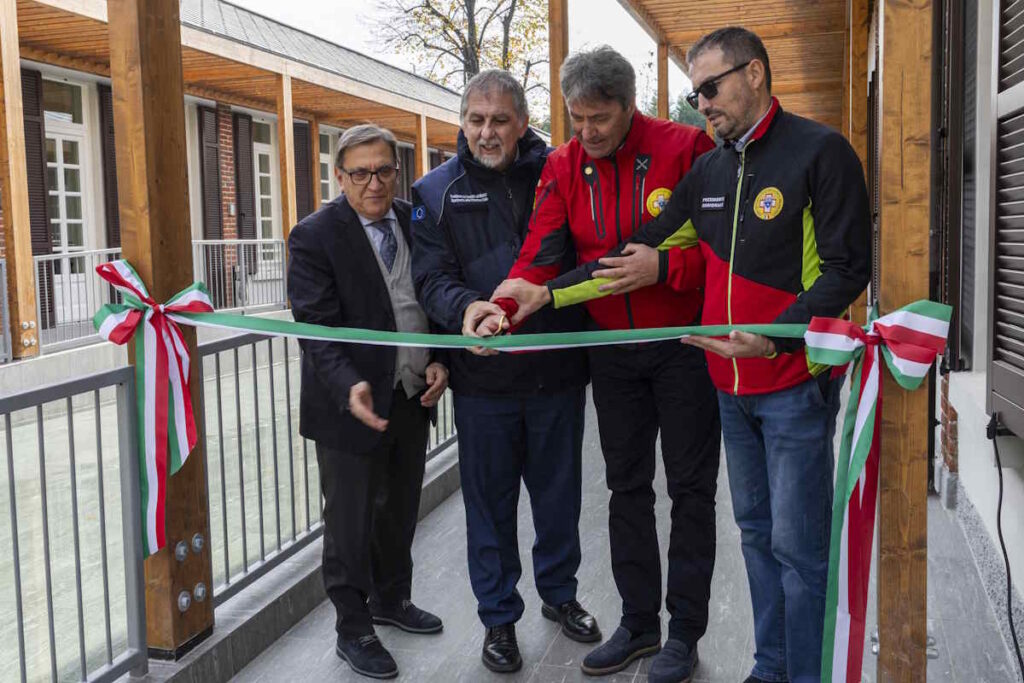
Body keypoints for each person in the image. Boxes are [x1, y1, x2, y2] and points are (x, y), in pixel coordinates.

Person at [495, 27, 871, 683]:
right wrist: (538, 297)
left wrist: (772, 333)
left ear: (754, 74)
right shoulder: (713, 168)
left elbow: (847, 270)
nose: (701, 103)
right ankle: (769, 663)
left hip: (786, 382)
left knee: (796, 546)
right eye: (695, 90)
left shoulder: (819, 150)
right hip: (727, 382)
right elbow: (619, 264)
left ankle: (799, 670)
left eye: (710, 87)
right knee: (755, 533)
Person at [485, 46, 722, 682]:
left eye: (599, 118)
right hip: (611, 354)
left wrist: (665, 266)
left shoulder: (686, 149)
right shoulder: (562, 166)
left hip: (683, 349)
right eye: (574, 118)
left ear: (628, 105)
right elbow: (541, 254)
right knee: (626, 488)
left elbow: (722, 256)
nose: (585, 132)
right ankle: (640, 623)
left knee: (691, 491)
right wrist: (502, 306)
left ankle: (686, 632)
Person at [409, 69, 595, 675]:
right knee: (489, 506)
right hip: (483, 382)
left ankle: (560, 595)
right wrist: (466, 310)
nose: (486, 132)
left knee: (558, 498)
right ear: (462, 123)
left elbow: (582, 259)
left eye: (499, 120)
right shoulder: (434, 191)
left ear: (522, 122)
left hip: (557, 374)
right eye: (475, 120)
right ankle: (498, 619)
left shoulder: (561, 176)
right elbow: (431, 277)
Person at [287, 124, 449, 680]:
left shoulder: (413, 220)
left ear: (396, 171)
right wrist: (346, 382)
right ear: (339, 176)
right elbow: (314, 325)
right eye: (360, 173)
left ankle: (391, 600)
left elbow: (427, 297)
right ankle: (352, 628)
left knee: (401, 508)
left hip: (409, 393)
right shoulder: (314, 235)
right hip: (347, 404)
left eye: (384, 170)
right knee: (350, 521)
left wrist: (439, 358)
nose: (374, 183)